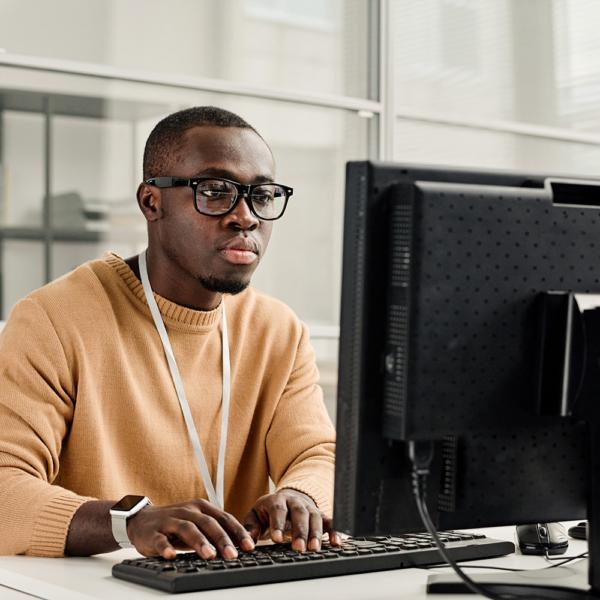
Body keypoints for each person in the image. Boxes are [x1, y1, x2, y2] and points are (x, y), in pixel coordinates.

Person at [0, 106, 339, 560]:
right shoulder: (54, 319)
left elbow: (321, 454)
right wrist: (129, 522)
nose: (246, 217)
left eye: (262, 195)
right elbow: (5, 488)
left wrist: (303, 495)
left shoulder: (279, 332)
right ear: (151, 203)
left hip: (236, 585)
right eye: (216, 191)